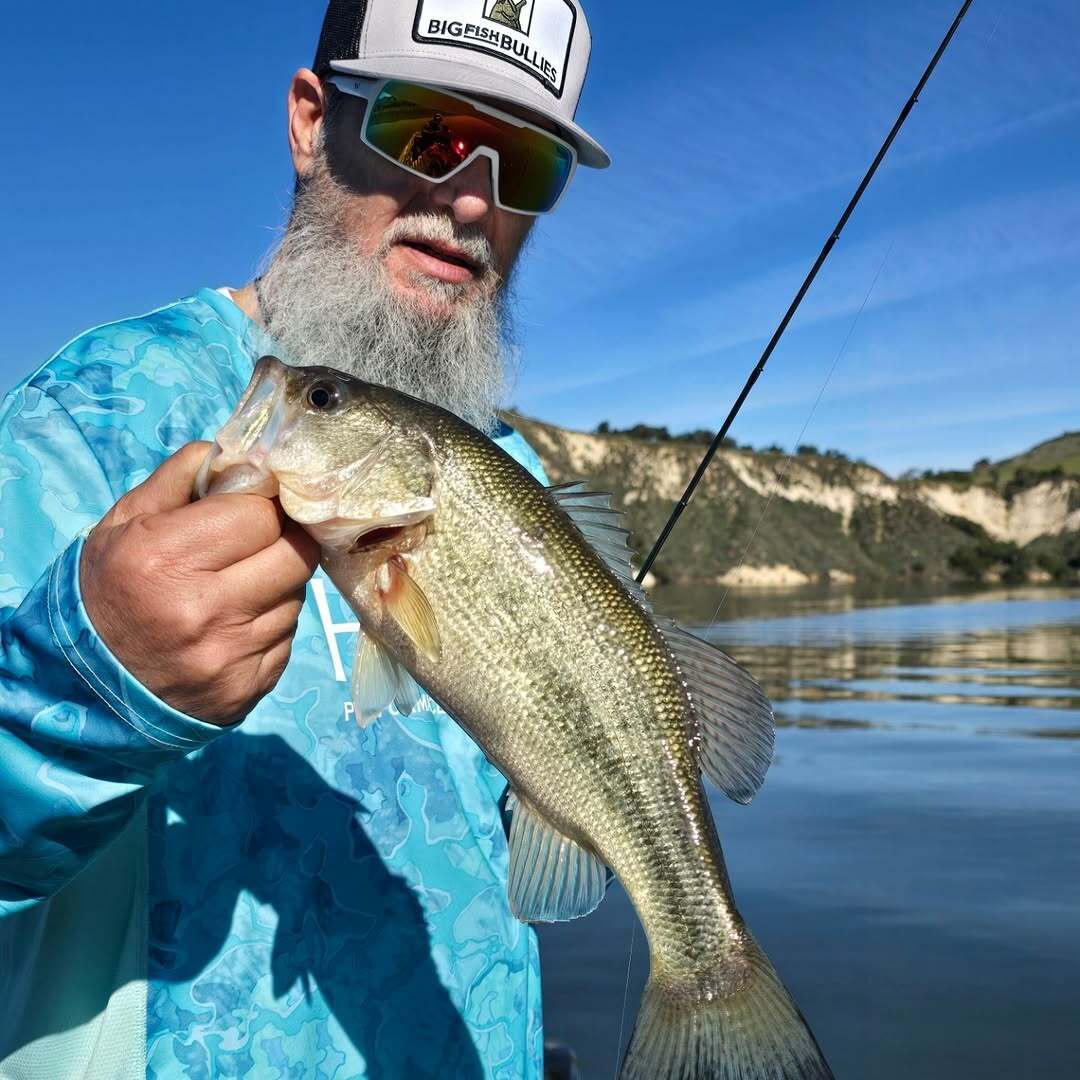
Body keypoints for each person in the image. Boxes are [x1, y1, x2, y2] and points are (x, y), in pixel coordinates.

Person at [0, 0, 608, 1076]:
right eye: (428, 130)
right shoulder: (91, 414)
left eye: (526, 164)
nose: (472, 197)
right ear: (311, 121)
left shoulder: (510, 468)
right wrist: (79, 685)